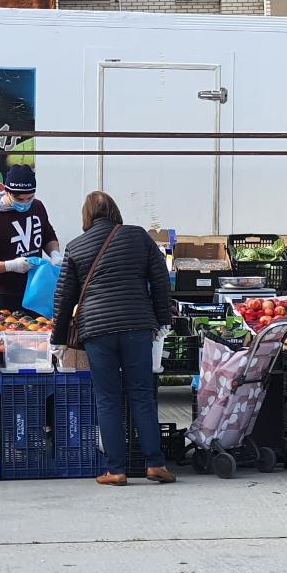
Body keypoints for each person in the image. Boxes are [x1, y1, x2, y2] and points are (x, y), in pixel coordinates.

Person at [51, 191, 175, 486]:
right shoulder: (138, 237)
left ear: (86, 215)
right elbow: (160, 280)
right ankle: (156, 464)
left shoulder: (76, 246)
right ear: (116, 211)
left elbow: (64, 295)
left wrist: (58, 337)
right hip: (136, 325)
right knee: (142, 395)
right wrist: (163, 320)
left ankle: (116, 470)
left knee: (107, 399)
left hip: (97, 330)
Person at [0, 165, 61, 312]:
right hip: (6, 294)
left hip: (37, 290)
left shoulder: (37, 207)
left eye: (29, 198)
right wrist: (10, 265)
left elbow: (48, 236)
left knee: (41, 332)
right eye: (18, 199)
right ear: (7, 191)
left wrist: (55, 254)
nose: (24, 203)